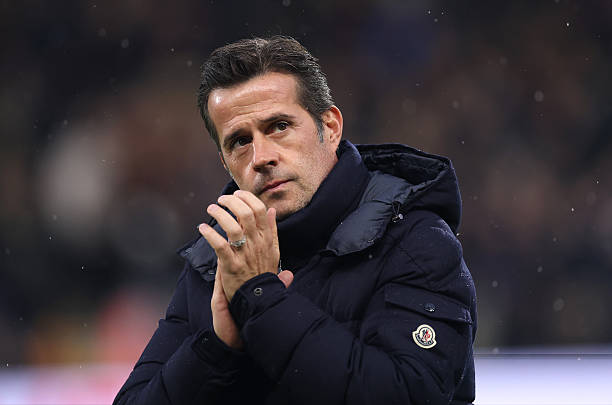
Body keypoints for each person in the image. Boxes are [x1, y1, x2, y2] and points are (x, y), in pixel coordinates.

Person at [114, 36, 477, 405]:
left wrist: (262, 300)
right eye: (240, 141)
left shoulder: (415, 242)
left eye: (279, 126)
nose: (261, 157)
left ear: (330, 127)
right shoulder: (215, 262)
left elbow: (407, 396)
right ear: (224, 162)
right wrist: (218, 348)